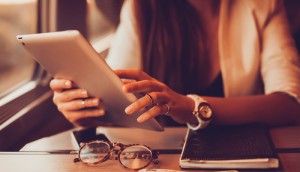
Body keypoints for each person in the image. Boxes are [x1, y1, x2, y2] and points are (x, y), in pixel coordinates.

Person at [50, 0, 300, 130]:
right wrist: (87, 112)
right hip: (162, 157)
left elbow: (290, 103)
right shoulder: (141, 7)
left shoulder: (264, 5)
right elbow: (117, 93)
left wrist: (192, 106)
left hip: (241, 153)